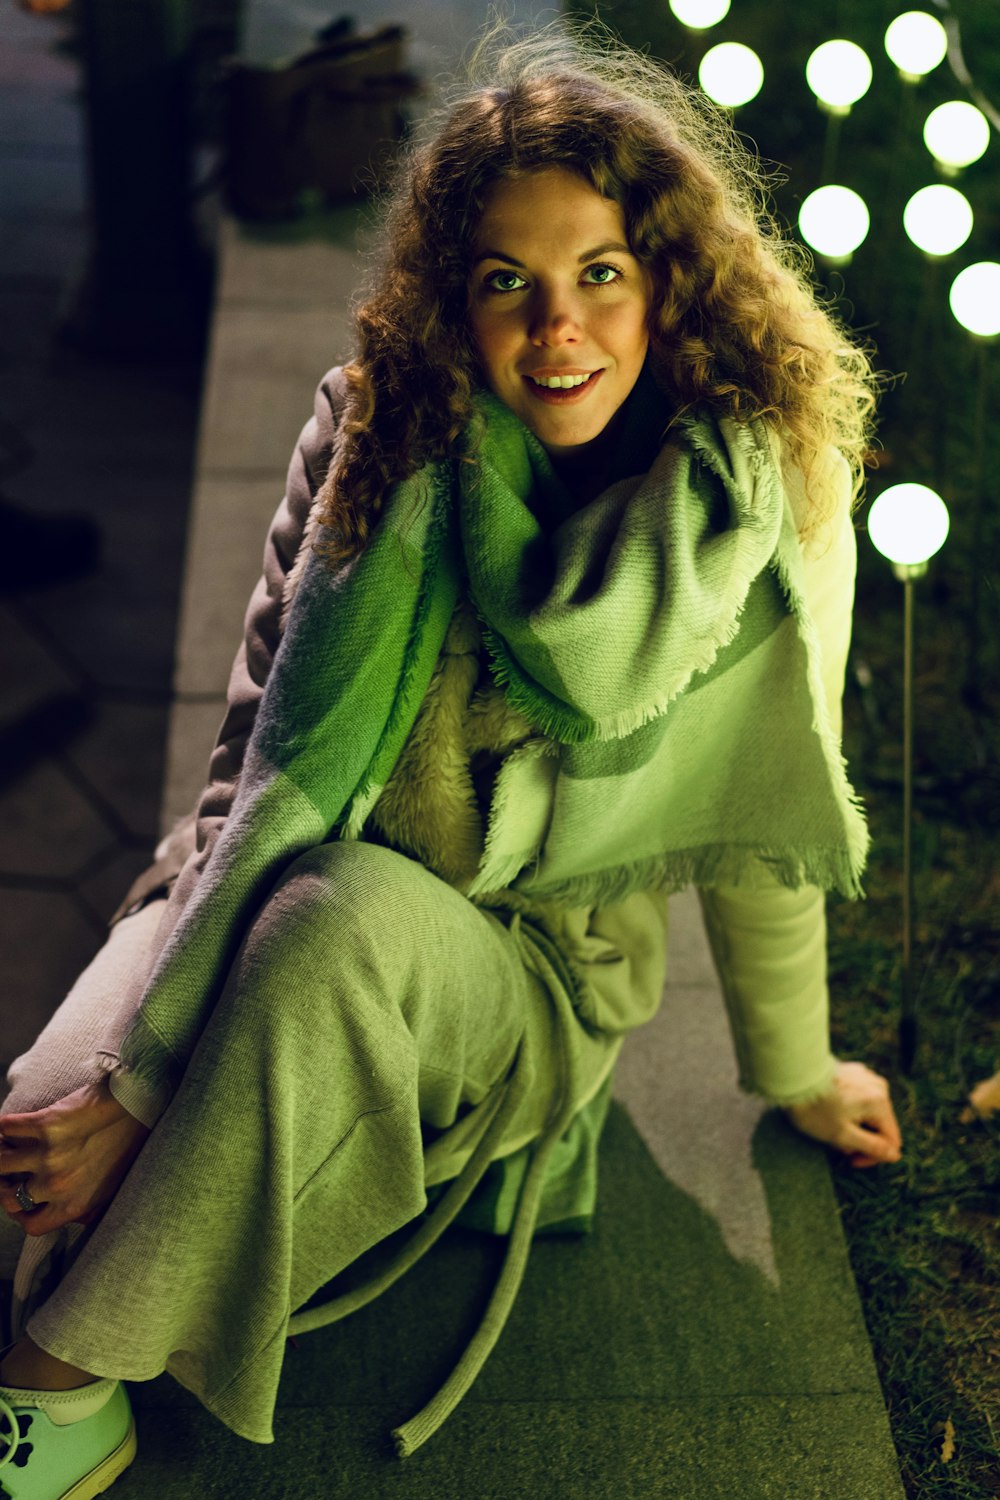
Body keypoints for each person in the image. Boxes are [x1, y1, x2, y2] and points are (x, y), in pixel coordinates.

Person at [0, 20, 903, 1494]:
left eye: (601, 272)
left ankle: (53, 1387)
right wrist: (140, 1055)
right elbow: (271, 766)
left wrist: (797, 1074)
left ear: (671, 274)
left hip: (516, 970)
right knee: (49, 1126)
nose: (561, 327)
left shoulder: (757, 496)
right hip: (280, 869)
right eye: (509, 284)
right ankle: (167, 1174)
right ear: (452, 299)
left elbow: (763, 811)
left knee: (325, 944)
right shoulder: (382, 436)